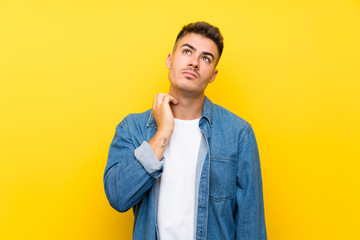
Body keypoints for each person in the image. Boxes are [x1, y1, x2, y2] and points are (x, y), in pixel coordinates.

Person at [103, 21, 267, 240]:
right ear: (170, 60)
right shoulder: (132, 128)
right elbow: (118, 196)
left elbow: (250, 225)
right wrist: (163, 132)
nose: (194, 63)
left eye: (205, 58)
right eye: (187, 51)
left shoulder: (239, 134)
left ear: (213, 75)